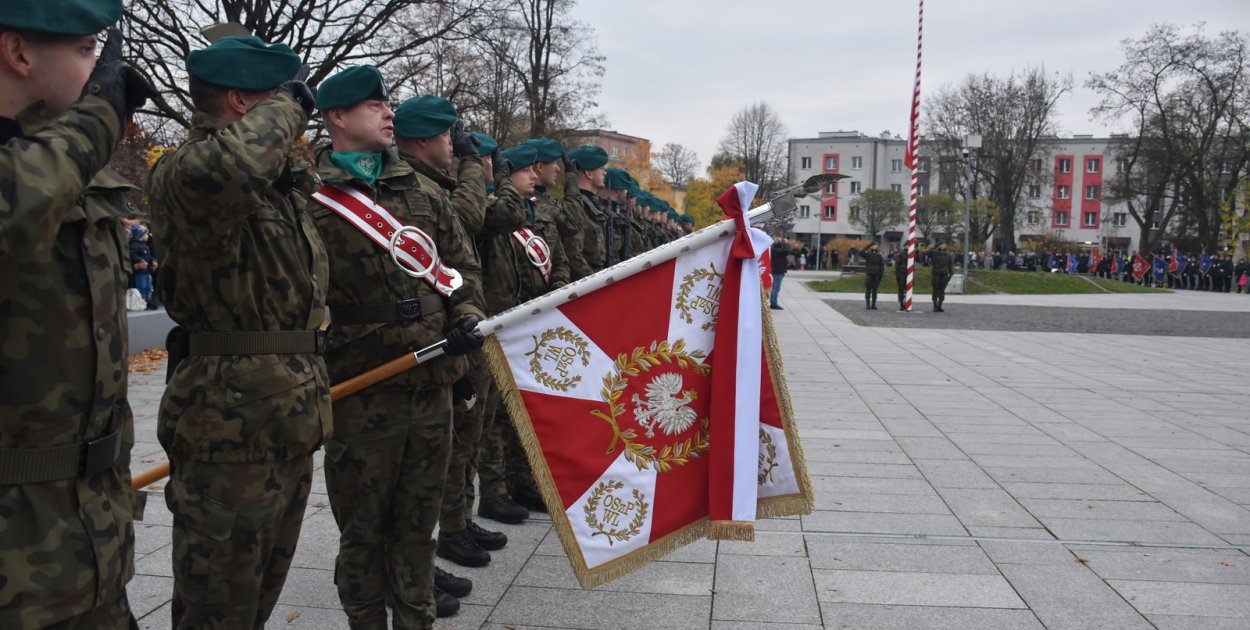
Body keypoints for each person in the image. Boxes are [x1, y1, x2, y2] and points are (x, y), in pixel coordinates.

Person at [147, 35, 328, 629]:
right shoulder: (188, 173)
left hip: (284, 419)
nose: (293, 116)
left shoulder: (274, 188)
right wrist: (291, 104)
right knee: (215, 611)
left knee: (254, 603)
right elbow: (236, 164)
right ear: (242, 104)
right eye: (275, 99)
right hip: (228, 429)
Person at [0, 4, 155, 627]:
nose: (103, 70)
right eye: (90, 49)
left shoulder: (61, 169)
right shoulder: (46, 171)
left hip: (85, 546)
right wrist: (101, 111)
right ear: (19, 53)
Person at [312, 82, 485, 625]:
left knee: (417, 527)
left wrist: (465, 317)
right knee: (363, 533)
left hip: (431, 385)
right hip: (360, 390)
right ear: (337, 116)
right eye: (374, 105)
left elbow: (462, 268)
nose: (389, 112)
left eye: (388, 104)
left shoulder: (422, 191)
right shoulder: (309, 196)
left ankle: (416, 617)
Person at [128, 224, 157, 304]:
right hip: (140, 272)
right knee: (142, 286)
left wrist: (152, 261)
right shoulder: (134, 245)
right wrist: (140, 260)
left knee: (148, 286)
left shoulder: (145, 245)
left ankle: (148, 300)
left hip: (147, 271)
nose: (147, 236)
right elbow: (132, 254)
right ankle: (142, 301)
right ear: (140, 235)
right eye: (146, 234)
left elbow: (148, 256)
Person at [930, 241, 953, 312]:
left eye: (943, 244)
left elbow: (950, 265)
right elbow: (928, 252)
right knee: (935, 290)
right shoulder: (935, 253)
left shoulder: (948, 255)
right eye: (941, 244)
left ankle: (940, 305)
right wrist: (935, 245)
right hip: (936, 274)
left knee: (942, 291)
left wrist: (951, 275)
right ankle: (935, 306)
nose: (942, 246)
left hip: (944, 274)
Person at [861, 242, 884, 309]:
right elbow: (861, 252)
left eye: (875, 245)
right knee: (868, 290)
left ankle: (873, 304)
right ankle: (867, 304)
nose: (874, 247)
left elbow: (882, 267)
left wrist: (880, 276)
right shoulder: (868, 254)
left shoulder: (879, 255)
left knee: (875, 290)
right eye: (873, 245)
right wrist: (868, 246)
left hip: (876, 275)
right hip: (869, 275)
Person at [769, 241, 789, 310]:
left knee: (775, 287)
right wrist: (786, 243)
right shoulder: (778, 251)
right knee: (776, 288)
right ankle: (773, 303)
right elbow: (787, 251)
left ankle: (773, 302)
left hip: (775, 270)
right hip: (778, 271)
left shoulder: (772, 250)